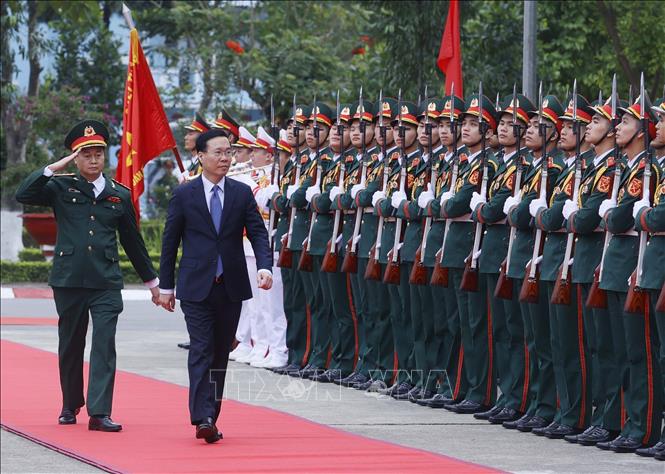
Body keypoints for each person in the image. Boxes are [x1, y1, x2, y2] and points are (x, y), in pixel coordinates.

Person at [15, 119, 160, 432]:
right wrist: (54, 167)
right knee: (70, 344)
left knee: (104, 344)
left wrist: (154, 285)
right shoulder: (60, 186)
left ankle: (99, 412)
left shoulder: (118, 194)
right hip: (69, 280)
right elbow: (23, 193)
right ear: (75, 158)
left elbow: (133, 243)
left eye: (98, 154)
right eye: (86, 154)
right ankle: (70, 404)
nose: (93, 160)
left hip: (106, 282)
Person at [158, 128, 272, 444]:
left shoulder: (241, 192)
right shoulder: (184, 194)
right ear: (201, 156)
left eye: (229, 152)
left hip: (231, 286)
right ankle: (202, 417)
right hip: (196, 286)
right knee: (201, 348)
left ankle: (212, 414)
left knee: (220, 352)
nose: (225, 158)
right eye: (218, 152)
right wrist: (165, 286)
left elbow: (259, 233)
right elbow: (170, 243)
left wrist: (264, 266)